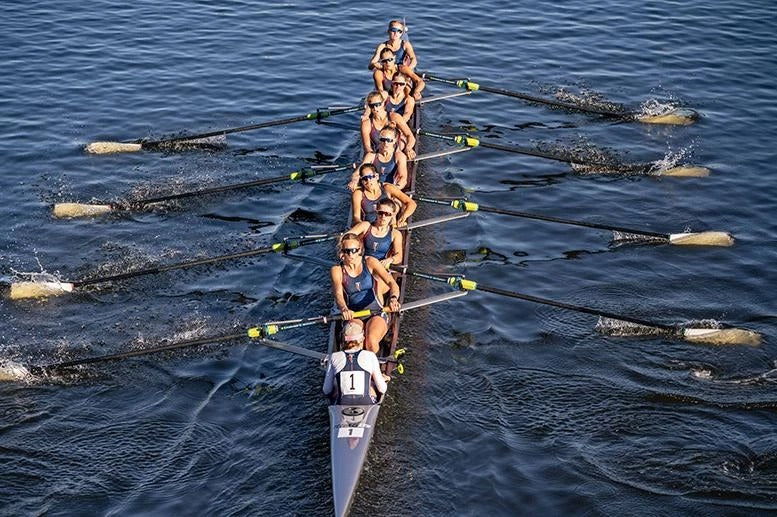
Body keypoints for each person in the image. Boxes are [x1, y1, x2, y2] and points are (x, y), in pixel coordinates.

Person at [331, 233, 401, 353]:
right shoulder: (336, 270)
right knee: (351, 345)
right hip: (354, 315)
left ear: (360, 249)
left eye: (354, 250)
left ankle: (375, 369)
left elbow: (391, 283)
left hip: (377, 312)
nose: (351, 254)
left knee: (371, 342)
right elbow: (338, 295)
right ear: (342, 253)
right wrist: (343, 309)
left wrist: (394, 298)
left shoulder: (370, 262)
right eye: (347, 251)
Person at [322, 320, 389, 405]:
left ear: (342, 339)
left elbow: (326, 390)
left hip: (341, 403)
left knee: (335, 382)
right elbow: (382, 389)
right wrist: (382, 380)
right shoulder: (371, 355)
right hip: (366, 403)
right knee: (371, 384)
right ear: (362, 339)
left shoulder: (334, 356)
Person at [350, 163, 416, 225]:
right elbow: (356, 217)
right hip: (370, 228)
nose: (368, 181)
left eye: (370, 177)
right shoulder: (358, 193)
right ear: (361, 181)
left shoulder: (388, 188)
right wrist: (362, 226)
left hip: (389, 226)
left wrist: (403, 217)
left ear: (377, 176)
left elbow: (411, 203)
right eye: (365, 178)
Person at [349, 198, 406, 269]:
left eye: (387, 214)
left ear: (392, 215)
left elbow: (399, 256)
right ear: (376, 212)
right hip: (361, 265)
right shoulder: (365, 226)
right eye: (380, 213)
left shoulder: (395, 234)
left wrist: (390, 260)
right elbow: (346, 237)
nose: (383, 217)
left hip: (380, 267)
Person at [360, 90, 416, 158]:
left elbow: (410, 136)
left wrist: (408, 148)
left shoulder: (394, 117)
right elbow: (367, 147)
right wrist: (374, 157)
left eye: (378, 104)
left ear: (383, 103)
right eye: (372, 106)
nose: (375, 108)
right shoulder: (366, 124)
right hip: (378, 153)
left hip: (396, 150)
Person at [351, 126, 409, 191]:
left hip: (391, 189)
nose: (385, 143)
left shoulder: (399, 156)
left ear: (394, 140)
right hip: (373, 189)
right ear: (379, 139)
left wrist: (395, 189)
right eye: (383, 140)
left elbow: (403, 178)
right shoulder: (371, 156)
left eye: (389, 140)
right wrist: (354, 180)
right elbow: (357, 173)